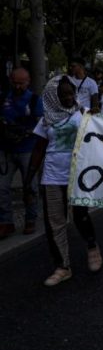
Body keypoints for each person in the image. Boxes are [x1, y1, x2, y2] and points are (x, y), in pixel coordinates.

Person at [24, 76, 102, 286]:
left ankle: (92, 246)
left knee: (80, 215)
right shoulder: (46, 120)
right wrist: (28, 179)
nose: (69, 98)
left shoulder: (83, 114)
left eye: (71, 93)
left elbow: (101, 137)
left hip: (77, 175)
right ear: (52, 97)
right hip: (52, 176)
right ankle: (62, 266)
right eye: (64, 94)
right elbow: (39, 149)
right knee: (54, 223)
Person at [0, 67, 43, 238]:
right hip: (6, 150)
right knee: (1, 188)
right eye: (15, 83)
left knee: (30, 187)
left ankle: (30, 219)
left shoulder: (34, 100)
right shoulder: (4, 98)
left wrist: (26, 132)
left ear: (28, 82)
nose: (18, 86)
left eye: (21, 83)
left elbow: (42, 126)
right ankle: (6, 222)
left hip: (28, 150)